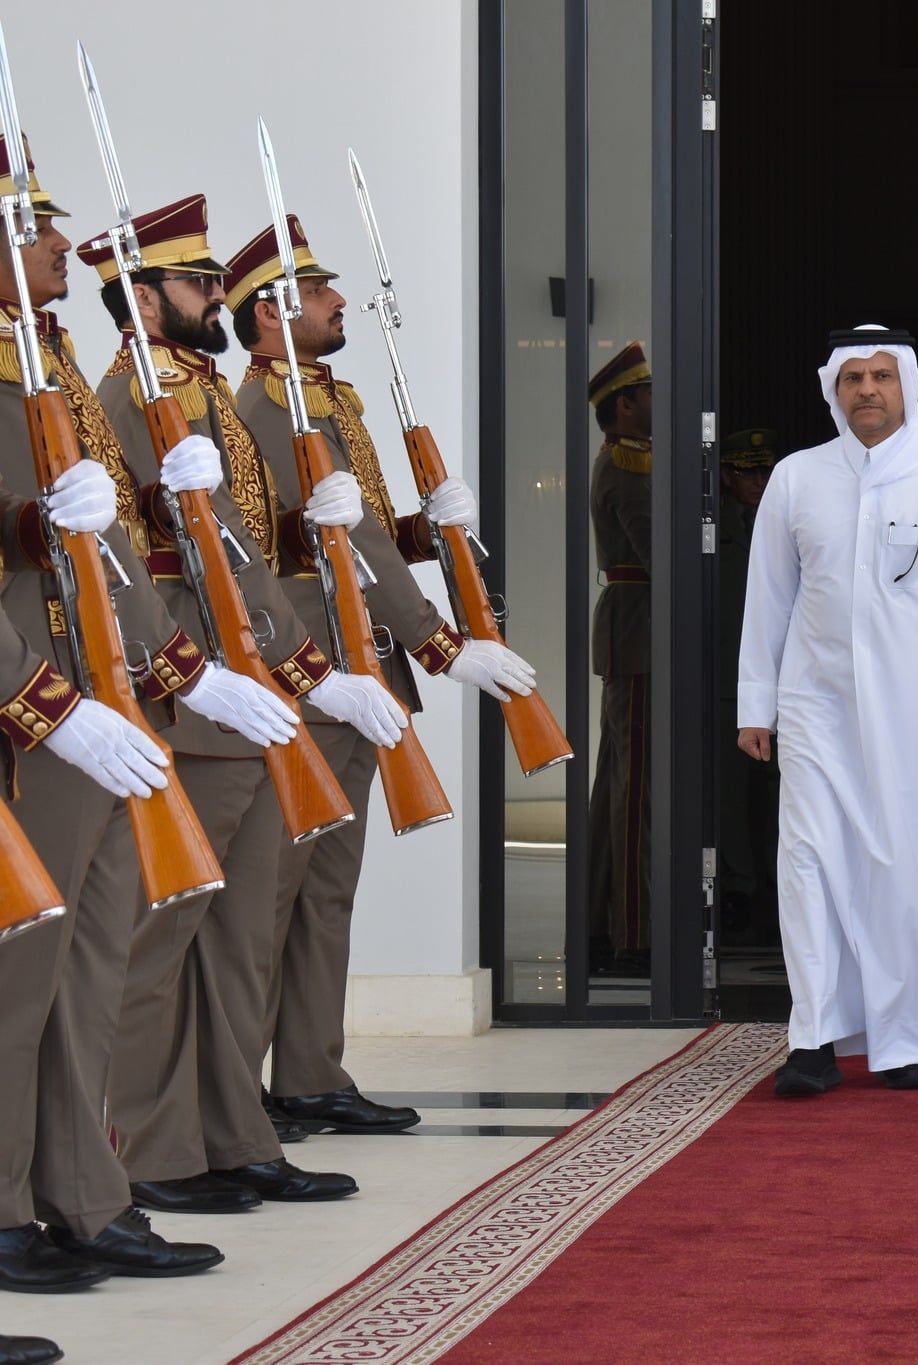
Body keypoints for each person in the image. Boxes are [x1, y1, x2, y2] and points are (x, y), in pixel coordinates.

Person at [85, 194, 384, 1210]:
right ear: (141, 298)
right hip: (190, 690)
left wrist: (301, 667)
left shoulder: (204, 391)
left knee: (237, 935)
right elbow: (131, 560)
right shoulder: (129, 395)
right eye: (197, 281)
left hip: (248, 686)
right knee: (162, 938)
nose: (217, 295)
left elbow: (247, 555)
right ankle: (150, 1150)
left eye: (217, 280)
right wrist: (228, 668)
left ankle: (233, 1135)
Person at [229, 215, 532, 1134]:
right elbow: (321, 547)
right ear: (271, 313)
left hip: (360, 664)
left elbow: (354, 538)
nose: (338, 301)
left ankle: (309, 1072)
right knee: (272, 899)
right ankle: (235, 1097)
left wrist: (426, 528)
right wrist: (441, 644)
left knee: (325, 891)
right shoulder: (266, 410)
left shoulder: (330, 402)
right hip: (313, 672)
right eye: (318, 290)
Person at [0, 136, 238, 1284]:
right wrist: (40, 702)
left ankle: (84, 1198)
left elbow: (108, 555)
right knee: (20, 981)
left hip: (99, 698)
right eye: (31, 226)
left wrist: (175, 671)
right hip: (34, 718)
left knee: (88, 968)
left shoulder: (43, 365)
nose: (58, 242)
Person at [738, 326, 918, 1094]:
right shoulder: (797, 477)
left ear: (908, 386)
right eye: (854, 377)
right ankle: (813, 1039)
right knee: (808, 864)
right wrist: (755, 703)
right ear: (833, 388)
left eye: (882, 375)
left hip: (916, 715)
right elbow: (768, 598)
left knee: (907, 874)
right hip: (815, 707)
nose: (868, 389)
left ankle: (905, 1041)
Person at [587, 343, 653, 969]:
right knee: (634, 791)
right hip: (639, 636)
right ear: (626, 405)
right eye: (648, 393)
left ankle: (602, 923)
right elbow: (659, 555)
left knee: (619, 782)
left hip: (634, 633)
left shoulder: (631, 459)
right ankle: (633, 932)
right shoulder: (629, 466)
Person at [716, 427, 780, 935]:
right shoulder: (713, 530)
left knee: (787, 787)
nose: (757, 480)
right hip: (731, 674)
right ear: (727, 477)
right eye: (746, 471)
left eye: (764, 470)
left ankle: (782, 883)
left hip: (791, 673)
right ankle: (739, 882)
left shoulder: (788, 518)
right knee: (733, 791)